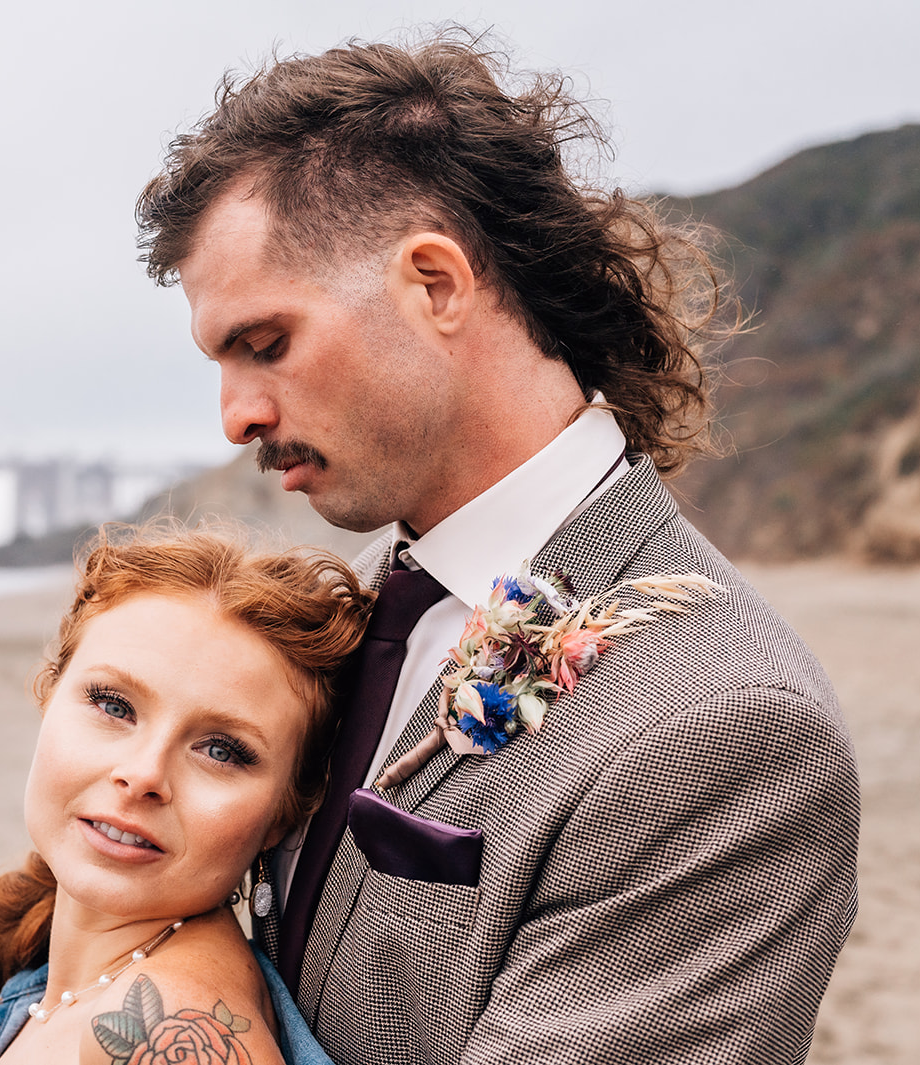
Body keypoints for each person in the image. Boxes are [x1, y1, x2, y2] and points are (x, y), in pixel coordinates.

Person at [135, 31, 861, 1065]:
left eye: (265, 344)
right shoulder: (356, 619)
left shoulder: (723, 725)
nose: (235, 418)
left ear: (433, 283)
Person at [0, 524, 370, 1065]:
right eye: (114, 706)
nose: (142, 775)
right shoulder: (56, 987)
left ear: (284, 813)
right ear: (49, 693)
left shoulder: (168, 1031)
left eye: (221, 750)